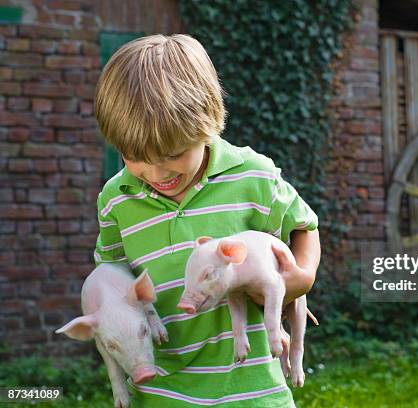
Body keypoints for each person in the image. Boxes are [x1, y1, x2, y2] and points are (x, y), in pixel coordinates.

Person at [93, 33, 320, 407]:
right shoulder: (116, 199)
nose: (155, 171)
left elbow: (304, 227)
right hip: (162, 391)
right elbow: (112, 272)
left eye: (174, 153)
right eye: (134, 155)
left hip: (253, 390)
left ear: (207, 124)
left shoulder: (253, 176)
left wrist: (304, 275)